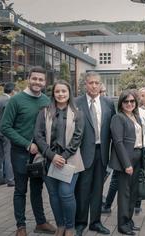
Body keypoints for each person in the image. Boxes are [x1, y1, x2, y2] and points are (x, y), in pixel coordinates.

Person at [1, 66, 56, 236]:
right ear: (28, 79)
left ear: (45, 82)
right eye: (34, 79)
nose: (37, 82)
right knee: (20, 190)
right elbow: (5, 127)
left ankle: (40, 222)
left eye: (41, 80)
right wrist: (26, 144)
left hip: (39, 155)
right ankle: (20, 226)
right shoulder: (16, 100)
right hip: (20, 154)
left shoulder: (47, 101)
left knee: (37, 189)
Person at [34, 80, 85, 236]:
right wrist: (52, 155)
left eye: (64, 91)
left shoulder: (78, 112)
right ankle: (60, 225)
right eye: (57, 91)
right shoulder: (44, 112)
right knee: (54, 195)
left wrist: (62, 156)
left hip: (70, 160)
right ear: (53, 94)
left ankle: (70, 227)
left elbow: (78, 137)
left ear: (69, 93)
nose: (61, 94)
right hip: (49, 160)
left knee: (66, 193)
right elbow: (38, 135)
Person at [74, 72, 116, 236]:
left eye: (96, 83)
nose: (94, 86)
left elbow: (113, 129)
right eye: (90, 83)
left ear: (100, 85)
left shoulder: (108, 103)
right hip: (83, 153)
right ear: (85, 84)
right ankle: (80, 223)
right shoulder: (77, 102)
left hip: (102, 152)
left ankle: (96, 222)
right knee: (82, 190)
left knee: (98, 190)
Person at [109, 90, 143, 235]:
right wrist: (126, 164)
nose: (129, 104)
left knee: (133, 192)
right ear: (121, 103)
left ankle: (129, 220)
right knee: (125, 194)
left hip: (138, 156)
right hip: (126, 160)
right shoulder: (118, 118)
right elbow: (118, 142)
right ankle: (122, 225)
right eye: (126, 101)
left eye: (132, 101)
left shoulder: (136, 116)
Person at [0, 82, 16, 187]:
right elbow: (11, 116)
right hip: (6, 132)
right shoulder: (8, 100)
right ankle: (10, 180)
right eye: (15, 90)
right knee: (9, 155)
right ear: (12, 91)